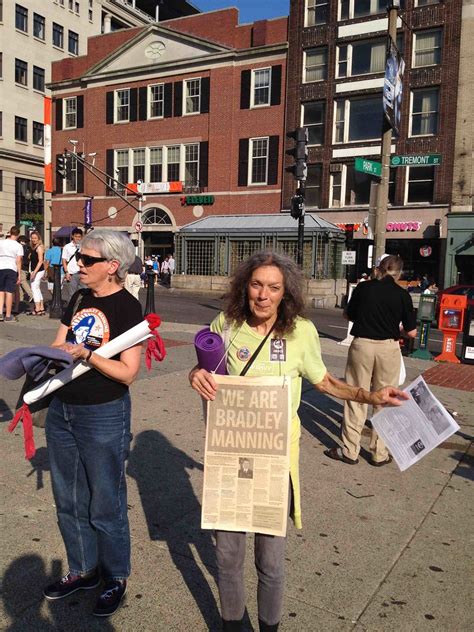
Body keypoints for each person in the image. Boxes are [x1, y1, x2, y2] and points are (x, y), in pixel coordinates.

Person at [189, 251, 408, 632]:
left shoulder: (301, 331)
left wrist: (371, 397)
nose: (263, 295)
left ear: (285, 292)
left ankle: (270, 627)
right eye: (257, 284)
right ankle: (232, 625)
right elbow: (207, 369)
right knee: (227, 557)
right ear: (245, 286)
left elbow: (325, 382)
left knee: (270, 562)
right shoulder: (226, 324)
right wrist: (195, 373)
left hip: (276, 461)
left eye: (273, 287)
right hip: (230, 457)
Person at [43, 230, 143, 618]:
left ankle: (115, 575)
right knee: (68, 499)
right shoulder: (80, 297)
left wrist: (88, 354)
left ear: (112, 267)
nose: (78, 265)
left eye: (87, 260)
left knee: (106, 501)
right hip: (62, 409)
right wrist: (40, 357)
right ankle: (83, 568)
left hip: (103, 412)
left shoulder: (127, 308)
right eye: (78, 259)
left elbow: (128, 372)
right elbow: (58, 342)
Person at [325, 254, 417, 467]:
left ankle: (349, 450)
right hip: (388, 347)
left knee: (356, 394)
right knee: (385, 399)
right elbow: (411, 333)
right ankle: (379, 453)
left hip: (362, 345)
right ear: (399, 272)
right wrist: (398, 329)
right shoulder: (402, 294)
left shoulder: (363, 288)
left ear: (379, 268)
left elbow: (348, 315)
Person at [0, 226, 23, 322]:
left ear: (10, 233)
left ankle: (0, 313)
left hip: (1, 267)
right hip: (11, 268)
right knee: (9, 292)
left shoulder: (1, 242)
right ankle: (8, 315)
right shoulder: (18, 246)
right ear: (17, 235)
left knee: (0, 291)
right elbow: (18, 260)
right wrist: (19, 274)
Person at [62, 228, 83, 302]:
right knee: (72, 294)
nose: (78, 238)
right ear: (72, 236)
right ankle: (71, 311)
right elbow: (64, 260)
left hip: (82, 273)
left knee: (83, 294)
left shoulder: (83, 246)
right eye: (76, 236)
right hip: (71, 273)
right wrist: (66, 272)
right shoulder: (67, 247)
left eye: (79, 236)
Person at [28, 231, 46, 316]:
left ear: (39, 238)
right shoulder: (34, 247)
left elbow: (40, 261)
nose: (33, 239)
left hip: (38, 271)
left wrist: (34, 272)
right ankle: (41, 308)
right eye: (32, 238)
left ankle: (37, 308)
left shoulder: (39, 247)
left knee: (34, 289)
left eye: (35, 238)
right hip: (35, 270)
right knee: (37, 289)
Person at [17, 235, 32, 305]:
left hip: (21, 267)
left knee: (22, 281)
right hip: (26, 267)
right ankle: (21, 298)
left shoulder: (21, 247)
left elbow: (20, 258)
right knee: (19, 283)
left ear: (21, 241)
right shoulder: (29, 248)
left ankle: (31, 295)